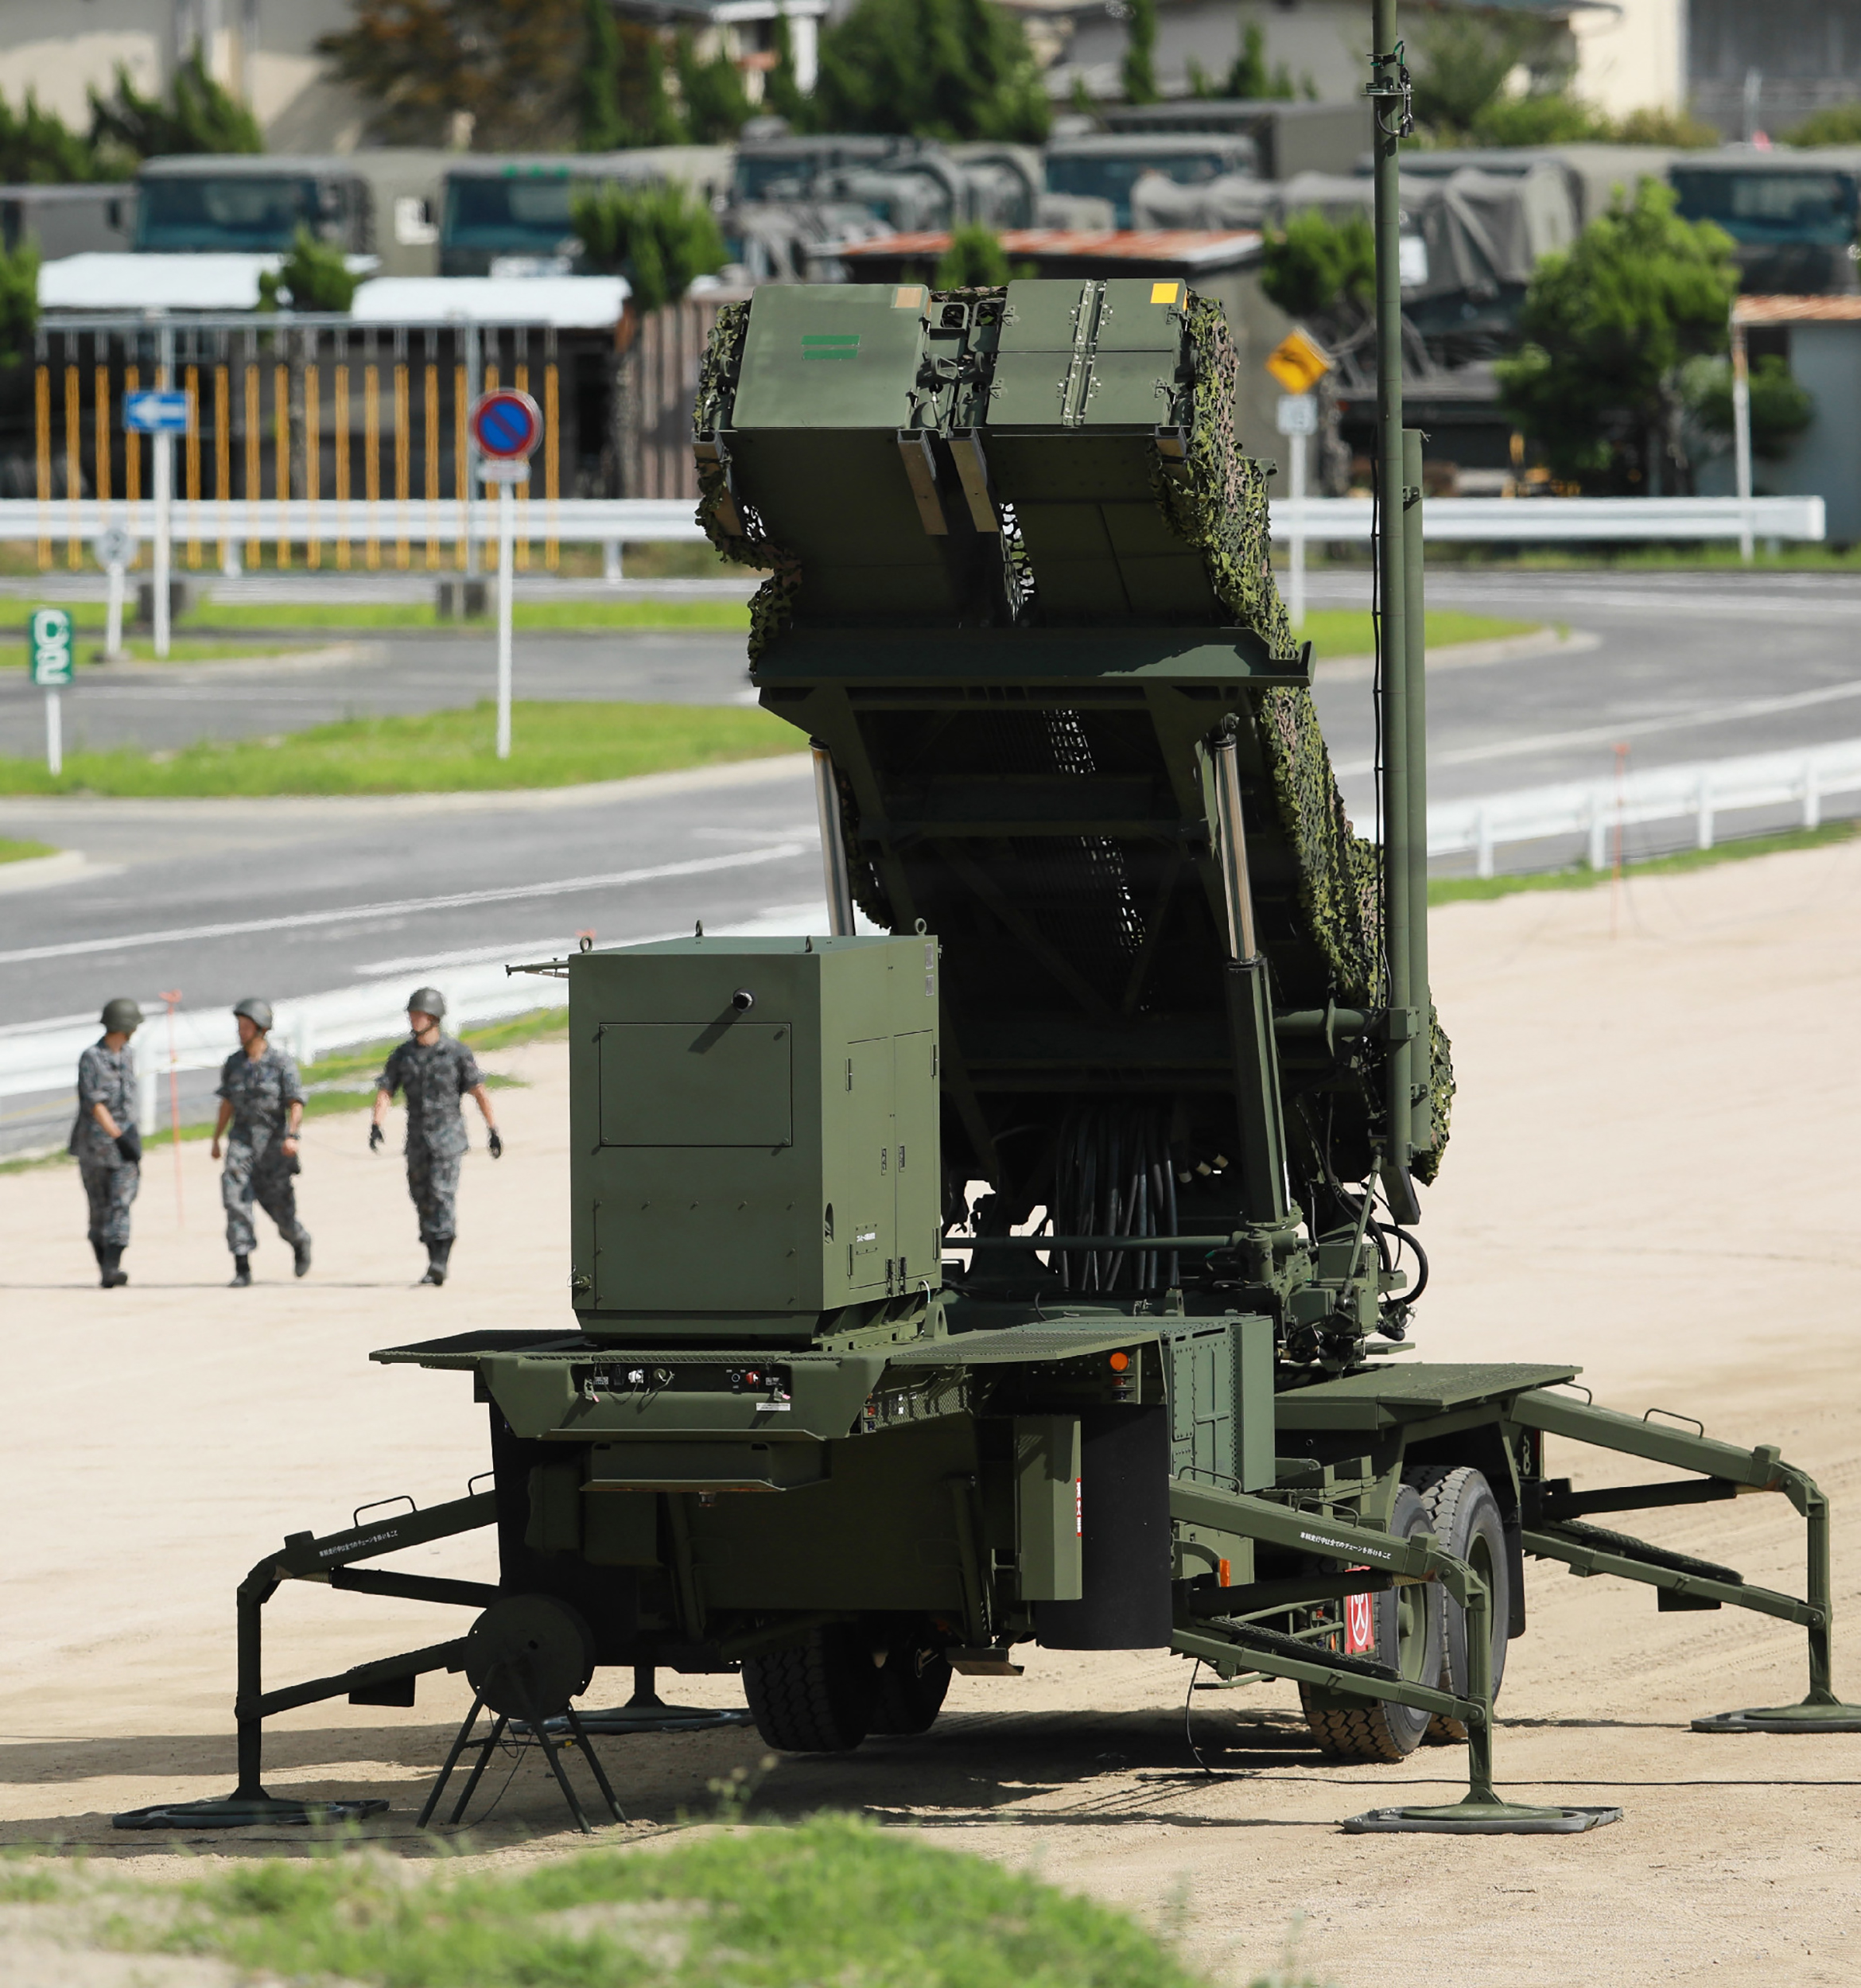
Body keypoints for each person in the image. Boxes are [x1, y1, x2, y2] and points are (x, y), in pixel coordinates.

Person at [370, 987, 502, 1285]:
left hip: (448, 1139)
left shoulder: (456, 1053)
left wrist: (492, 1129)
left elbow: (478, 1091)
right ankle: (433, 1253)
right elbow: (386, 1090)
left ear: (433, 1018)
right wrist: (377, 1123)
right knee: (421, 1196)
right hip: (417, 1140)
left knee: (442, 1194)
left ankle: (439, 1262)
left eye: (418, 1015)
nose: (413, 1020)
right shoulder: (402, 1055)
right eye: (411, 1015)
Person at [211, 997, 312, 1288]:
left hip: (273, 1147)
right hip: (241, 1141)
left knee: (280, 1211)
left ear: (261, 1029)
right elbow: (227, 1103)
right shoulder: (234, 1064)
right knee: (235, 1199)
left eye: (246, 1026)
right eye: (239, 1026)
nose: (240, 1031)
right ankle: (242, 1265)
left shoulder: (281, 1063)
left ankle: (299, 1240)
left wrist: (292, 1135)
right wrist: (216, 1138)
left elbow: (295, 1103)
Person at [71, 996, 142, 1288]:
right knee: (99, 1208)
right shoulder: (92, 1058)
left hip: (123, 1146)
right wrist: (118, 1136)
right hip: (96, 1147)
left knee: (121, 1202)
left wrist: (130, 1136)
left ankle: (113, 1265)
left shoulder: (128, 1055)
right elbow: (95, 1103)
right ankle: (105, 1268)